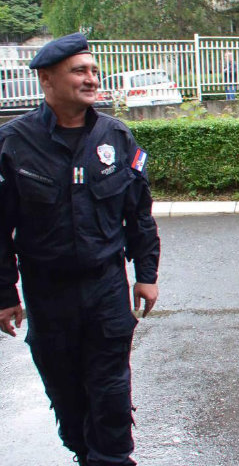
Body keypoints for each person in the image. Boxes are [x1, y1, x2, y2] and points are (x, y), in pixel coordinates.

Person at [0, 32, 161, 466]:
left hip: (106, 287)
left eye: (93, 70)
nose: (91, 79)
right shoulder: (13, 142)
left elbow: (139, 214)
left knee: (110, 393)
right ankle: (85, 453)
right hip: (48, 294)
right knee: (67, 396)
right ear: (46, 79)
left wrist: (146, 275)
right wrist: (4, 293)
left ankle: (111, 459)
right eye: (79, 71)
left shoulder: (116, 136)